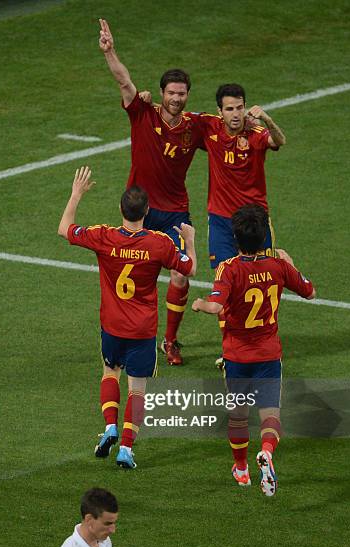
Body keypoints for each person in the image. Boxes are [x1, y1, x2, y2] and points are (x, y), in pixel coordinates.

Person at [58, 167, 196, 468]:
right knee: (137, 389)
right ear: (147, 211)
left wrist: (76, 194)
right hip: (142, 330)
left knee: (110, 374)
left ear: (121, 209)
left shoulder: (104, 237)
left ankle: (110, 427)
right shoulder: (159, 243)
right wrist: (189, 239)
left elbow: (64, 228)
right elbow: (189, 269)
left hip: (112, 326)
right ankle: (127, 449)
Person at [98, 18, 204, 366]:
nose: (176, 98)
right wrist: (110, 52)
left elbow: (225, 127)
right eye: (171, 93)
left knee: (182, 273)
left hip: (174, 211)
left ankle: (170, 341)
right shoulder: (142, 113)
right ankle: (126, 335)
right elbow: (124, 80)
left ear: (188, 95)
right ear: (162, 94)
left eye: (181, 93)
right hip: (140, 209)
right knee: (134, 273)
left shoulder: (195, 126)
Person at [192, 204, 315, 496]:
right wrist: (290, 262)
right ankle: (268, 453)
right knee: (270, 415)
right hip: (269, 355)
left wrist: (198, 304)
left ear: (235, 238)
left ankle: (242, 470)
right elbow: (310, 292)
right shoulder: (279, 266)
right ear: (264, 238)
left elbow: (216, 306)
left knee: (238, 415)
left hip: (237, 356)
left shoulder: (229, 268)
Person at [197, 83, 287, 269]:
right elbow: (177, 114)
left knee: (261, 274)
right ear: (220, 111)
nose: (236, 114)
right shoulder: (210, 127)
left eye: (239, 108)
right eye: (229, 109)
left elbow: (279, 140)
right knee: (224, 275)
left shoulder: (256, 133)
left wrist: (267, 119)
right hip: (221, 219)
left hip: (255, 219)